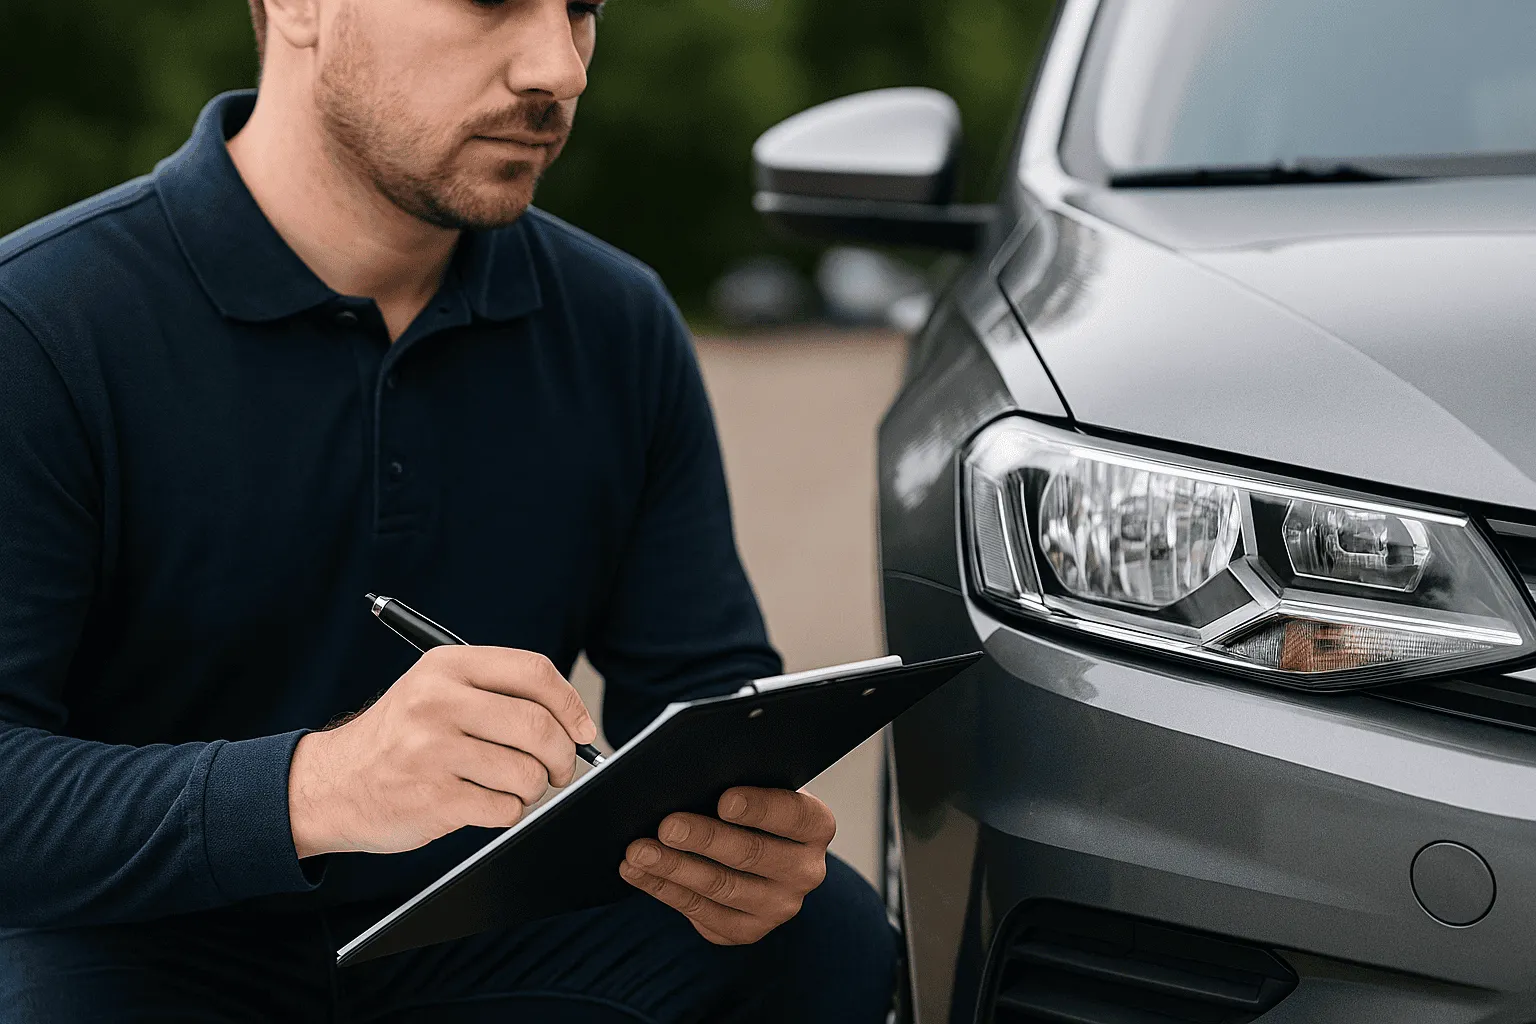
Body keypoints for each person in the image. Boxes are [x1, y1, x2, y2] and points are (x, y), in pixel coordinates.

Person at [0, 0, 899, 1019]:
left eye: (583, 10)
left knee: (823, 937)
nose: (561, 69)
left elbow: (700, 701)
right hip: (129, 950)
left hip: (476, 927)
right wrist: (321, 787)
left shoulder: (616, 322)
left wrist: (742, 845)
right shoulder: (40, 327)